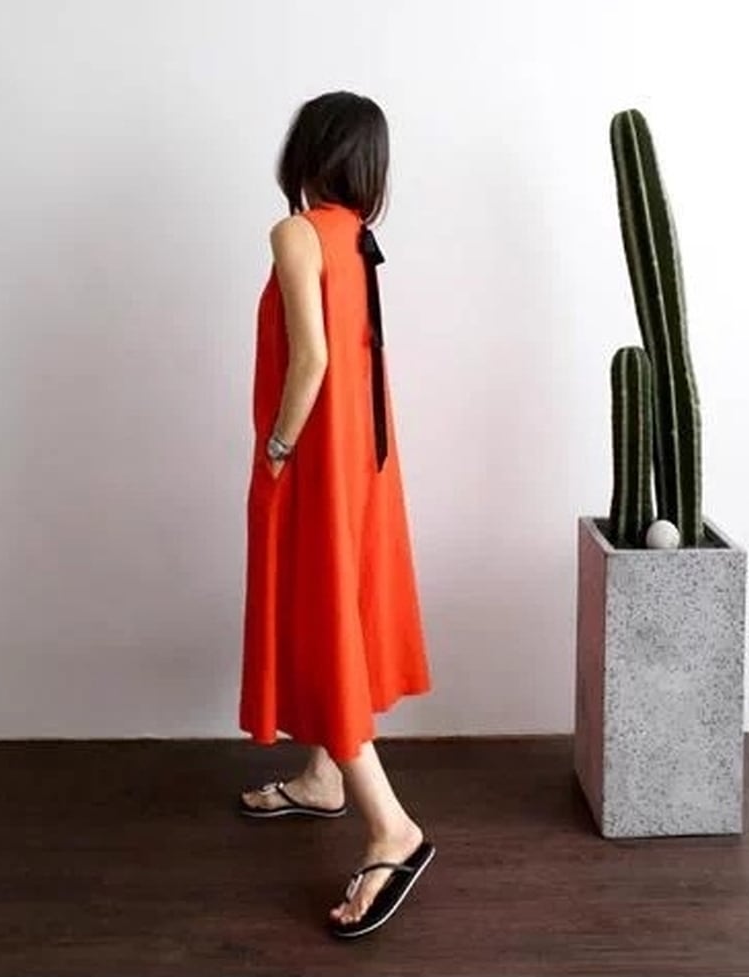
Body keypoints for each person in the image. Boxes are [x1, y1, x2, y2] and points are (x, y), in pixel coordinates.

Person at [236, 91, 435, 939]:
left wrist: (277, 446)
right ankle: (323, 778)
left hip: (318, 460)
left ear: (307, 153)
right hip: (364, 465)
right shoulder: (358, 240)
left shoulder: (296, 233)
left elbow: (311, 358)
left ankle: (392, 827)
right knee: (340, 610)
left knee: (317, 622)